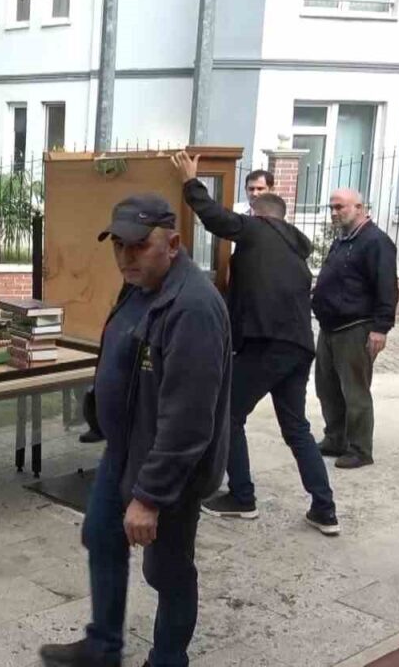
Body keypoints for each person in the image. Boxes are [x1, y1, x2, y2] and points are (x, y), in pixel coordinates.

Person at [40, 194, 231, 667]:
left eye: (139, 245)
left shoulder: (193, 307)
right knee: (102, 536)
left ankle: (168, 659)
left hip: (170, 467)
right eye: (118, 245)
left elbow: (188, 422)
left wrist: (149, 497)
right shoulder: (141, 285)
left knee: (167, 570)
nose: (126, 257)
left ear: (174, 244)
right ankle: (102, 647)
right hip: (125, 450)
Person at [172, 152, 338, 535]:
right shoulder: (294, 249)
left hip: (268, 344)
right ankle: (324, 509)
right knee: (296, 428)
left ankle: (242, 497)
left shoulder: (256, 229)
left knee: (228, 414)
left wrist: (190, 182)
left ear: (260, 215)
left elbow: (215, 218)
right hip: (299, 347)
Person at [312, 188, 399, 469]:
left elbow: (387, 287)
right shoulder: (343, 240)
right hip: (330, 327)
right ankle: (336, 439)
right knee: (327, 388)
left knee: (355, 392)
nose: (334, 213)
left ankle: (360, 449)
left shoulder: (376, 242)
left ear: (360, 208)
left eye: (340, 207)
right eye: (332, 208)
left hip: (355, 328)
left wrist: (381, 328)